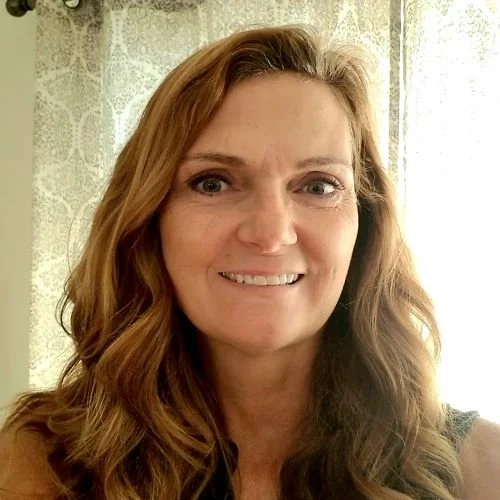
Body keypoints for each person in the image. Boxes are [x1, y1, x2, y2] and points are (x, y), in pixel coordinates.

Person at [0, 24, 499, 500]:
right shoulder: (37, 461)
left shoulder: (485, 468)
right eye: (213, 182)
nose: (271, 234)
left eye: (318, 186)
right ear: (149, 219)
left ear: (365, 224)